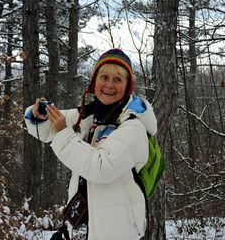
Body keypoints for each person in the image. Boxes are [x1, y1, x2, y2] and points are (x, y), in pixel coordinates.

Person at [24, 48, 157, 240]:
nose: (109, 85)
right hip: (86, 227)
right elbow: (47, 129)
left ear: (127, 87)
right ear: (95, 81)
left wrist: (63, 132)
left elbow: (102, 168)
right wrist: (39, 115)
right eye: (104, 77)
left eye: (118, 79)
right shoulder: (88, 116)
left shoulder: (133, 126)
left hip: (117, 232)